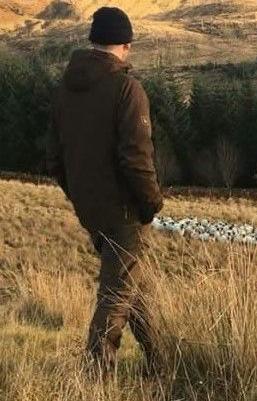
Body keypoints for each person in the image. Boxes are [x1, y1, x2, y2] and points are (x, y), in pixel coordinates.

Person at [46, 6, 163, 377]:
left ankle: (162, 361)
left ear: (94, 40)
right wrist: (151, 203)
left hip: (91, 208)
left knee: (130, 285)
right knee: (115, 297)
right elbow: (136, 158)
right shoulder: (127, 89)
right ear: (126, 45)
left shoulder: (67, 88)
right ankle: (95, 380)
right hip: (124, 210)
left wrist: (79, 196)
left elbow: (55, 158)